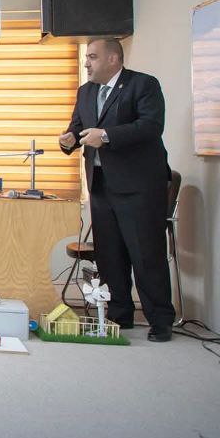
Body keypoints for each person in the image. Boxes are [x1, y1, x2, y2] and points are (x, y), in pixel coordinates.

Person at [60, 37, 174, 341]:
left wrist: (107, 135)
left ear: (113, 59)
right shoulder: (86, 91)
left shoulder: (143, 85)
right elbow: (78, 127)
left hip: (138, 186)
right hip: (101, 184)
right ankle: (119, 313)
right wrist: (68, 140)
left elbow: (151, 126)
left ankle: (160, 320)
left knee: (145, 254)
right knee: (109, 254)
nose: (86, 63)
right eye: (86, 57)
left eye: (92, 57)